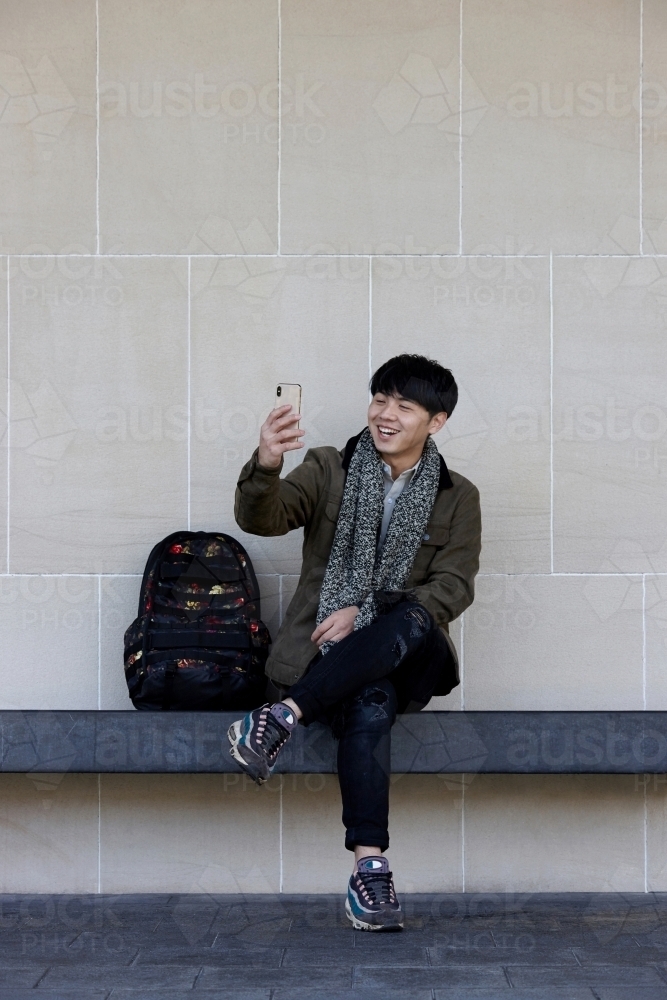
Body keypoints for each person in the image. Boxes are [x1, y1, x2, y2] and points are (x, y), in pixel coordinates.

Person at [228, 354, 481, 931]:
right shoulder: (327, 468)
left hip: (407, 655)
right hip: (321, 658)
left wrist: (364, 612)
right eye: (380, 399)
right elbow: (261, 519)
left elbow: (453, 588)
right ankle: (371, 870)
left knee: (416, 612)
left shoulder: (458, 496)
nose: (386, 415)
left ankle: (282, 717)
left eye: (404, 406)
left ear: (435, 422)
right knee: (369, 705)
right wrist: (268, 460)